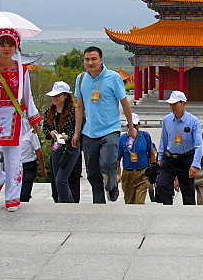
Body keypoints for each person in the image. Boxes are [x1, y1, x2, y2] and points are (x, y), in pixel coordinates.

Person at [0, 28, 42, 212]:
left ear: (16, 46)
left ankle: (12, 197)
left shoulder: (22, 70)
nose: (6, 48)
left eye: (10, 45)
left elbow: (28, 96)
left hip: (13, 116)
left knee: (14, 160)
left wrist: (34, 120)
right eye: (2, 45)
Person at [72, 46, 135, 204]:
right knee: (92, 173)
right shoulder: (80, 79)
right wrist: (76, 132)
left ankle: (112, 182)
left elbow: (125, 103)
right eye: (87, 59)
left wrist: (131, 127)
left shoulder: (113, 78)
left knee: (108, 163)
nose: (90, 62)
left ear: (101, 60)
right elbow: (79, 107)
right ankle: (98, 203)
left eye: (94, 59)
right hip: (89, 132)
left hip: (110, 130)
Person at [156, 90, 203, 205]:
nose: (172, 107)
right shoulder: (167, 120)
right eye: (171, 104)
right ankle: (168, 207)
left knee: (188, 193)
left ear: (184, 103)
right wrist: (160, 157)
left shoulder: (193, 121)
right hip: (169, 158)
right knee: (162, 185)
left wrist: (195, 164)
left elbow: (198, 145)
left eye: (175, 104)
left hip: (186, 159)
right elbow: (164, 140)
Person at [43, 80, 82, 203]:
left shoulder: (74, 112)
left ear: (65, 95)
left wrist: (67, 137)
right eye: (53, 96)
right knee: (56, 180)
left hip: (70, 148)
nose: (55, 98)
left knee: (62, 179)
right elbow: (45, 128)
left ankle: (66, 204)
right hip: (56, 148)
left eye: (58, 95)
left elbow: (80, 131)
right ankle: (64, 203)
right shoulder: (49, 111)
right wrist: (51, 133)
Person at [117, 113, 154, 204]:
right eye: (129, 126)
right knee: (129, 202)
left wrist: (153, 169)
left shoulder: (145, 136)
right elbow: (117, 158)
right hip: (128, 174)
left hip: (142, 173)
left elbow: (151, 153)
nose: (132, 128)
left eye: (134, 125)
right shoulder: (122, 139)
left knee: (139, 202)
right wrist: (118, 174)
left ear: (139, 125)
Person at [18, 128, 45, 202]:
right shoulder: (10, 131)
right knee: (16, 192)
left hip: (28, 165)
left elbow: (38, 151)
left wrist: (42, 168)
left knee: (24, 193)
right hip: (15, 166)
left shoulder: (31, 133)